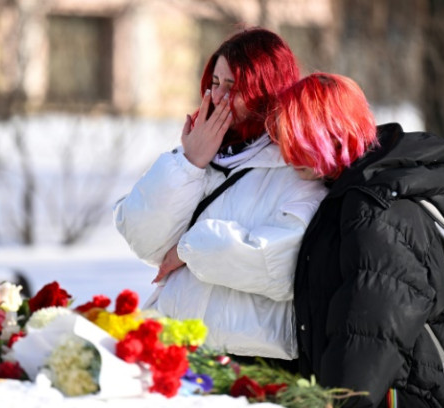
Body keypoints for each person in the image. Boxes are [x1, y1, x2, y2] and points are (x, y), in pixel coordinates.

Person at [113, 28, 327, 362]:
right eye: (215, 83)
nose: (219, 97)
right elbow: (143, 240)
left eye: (234, 87)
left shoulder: (297, 167)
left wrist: (188, 250)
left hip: (247, 361)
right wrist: (188, 163)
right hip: (173, 344)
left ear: (267, 90)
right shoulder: (202, 153)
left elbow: (279, 266)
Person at [266, 73, 444, 408]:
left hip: (385, 404)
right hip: (372, 396)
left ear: (332, 132)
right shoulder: (354, 194)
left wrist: (341, 404)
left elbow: (375, 317)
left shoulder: (373, 204)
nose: (289, 155)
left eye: (299, 139)